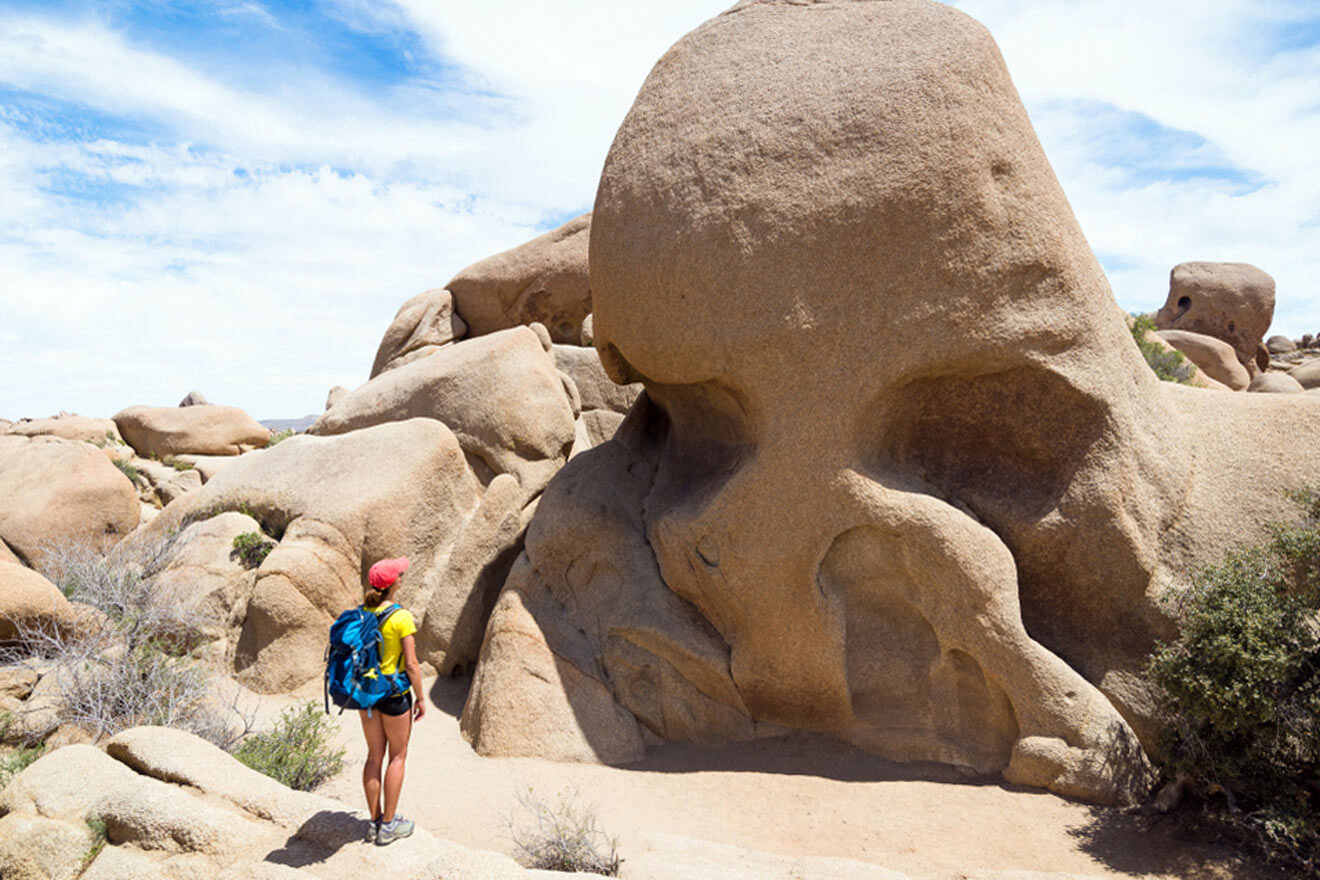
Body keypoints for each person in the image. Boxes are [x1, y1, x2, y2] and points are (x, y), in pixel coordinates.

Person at [358, 556, 426, 846]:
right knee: (397, 756)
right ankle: (389, 825)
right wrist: (421, 698)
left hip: (367, 693)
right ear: (393, 584)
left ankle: (374, 823)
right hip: (395, 695)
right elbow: (411, 664)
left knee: (374, 756)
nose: (402, 576)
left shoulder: (361, 612)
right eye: (399, 574)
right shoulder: (401, 617)